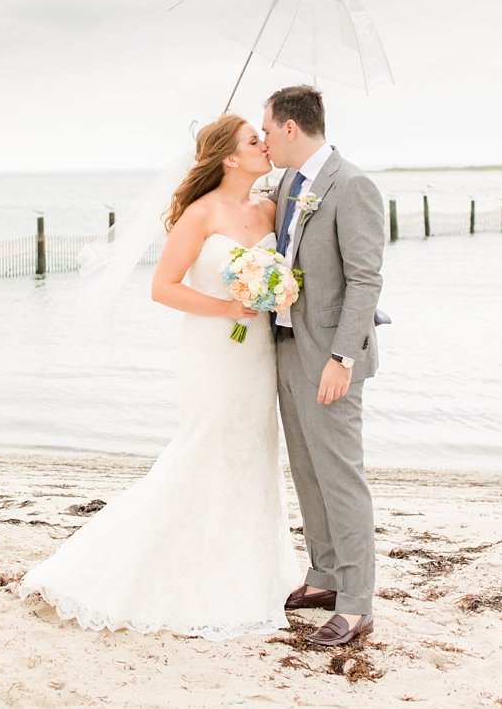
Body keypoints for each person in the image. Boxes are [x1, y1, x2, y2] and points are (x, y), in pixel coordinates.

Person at [18, 114, 300, 639]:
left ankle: (247, 569)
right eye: (253, 141)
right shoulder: (199, 214)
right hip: (214, 350)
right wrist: (228, 308)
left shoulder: (269, 208)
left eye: (263, 138)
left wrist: (271, 291)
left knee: (252, 450)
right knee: (204, 446)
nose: (264, 145)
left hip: (257, 353)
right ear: (229, 158)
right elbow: (163, 287)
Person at [261, 84, 384, 648]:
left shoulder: (352, 185)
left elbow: (365, 280)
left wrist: (342, 358)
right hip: (286, 345)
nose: (263, 140)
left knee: (340, 475)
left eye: (266, 130)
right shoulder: (288, 183)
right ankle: (326, 577)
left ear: (291, 128)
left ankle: (357, 604)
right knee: (307, 469)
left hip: (332, 355)